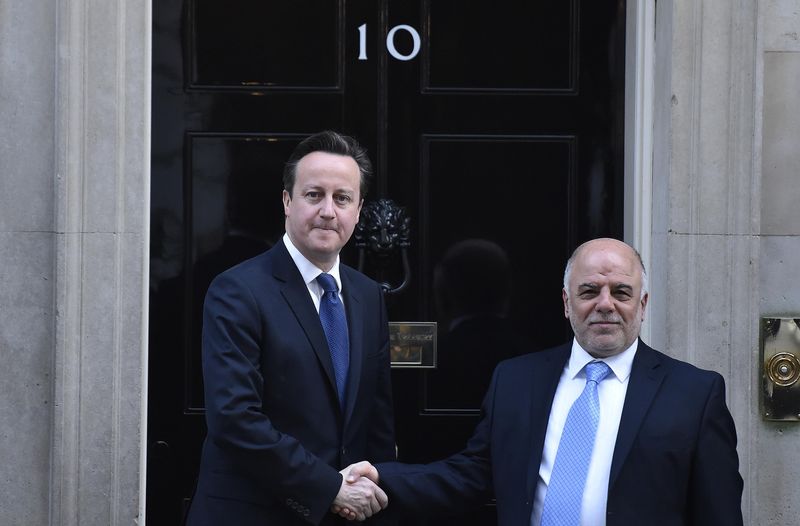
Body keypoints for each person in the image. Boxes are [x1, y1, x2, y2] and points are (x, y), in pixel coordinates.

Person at [342, 237, 744, 525]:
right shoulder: (517, 380)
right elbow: (471, 474)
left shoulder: (695, 394)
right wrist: (383, 477)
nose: (605, 304)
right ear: (567, 303)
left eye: (621, 292)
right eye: (589, 291)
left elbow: (718, 512)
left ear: (643, 305)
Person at [185, 130, 396, 526]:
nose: (328, 211)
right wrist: (329, 488)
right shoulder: (238, 290)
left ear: (359, 209)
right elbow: (235, 419)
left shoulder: (368, 296)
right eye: (314, 195)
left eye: (343, 198)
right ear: (287, 201)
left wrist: (378, 498)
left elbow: (376, 421)